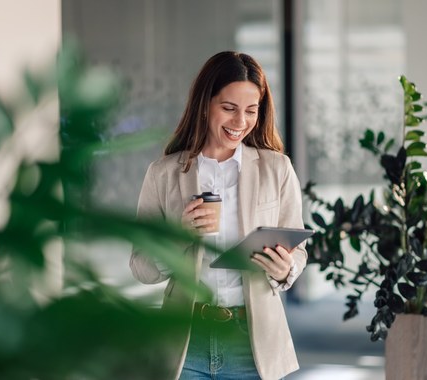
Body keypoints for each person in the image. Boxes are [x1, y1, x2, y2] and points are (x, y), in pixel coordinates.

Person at [130, 51, 307, 380]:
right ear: (205, 104)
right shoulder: (164, 174)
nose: (240, 122)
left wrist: (287, 270)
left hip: (252, 343)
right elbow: (141, 267)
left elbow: (298, 253)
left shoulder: (276, 169)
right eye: (229, 108)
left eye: (251, 111)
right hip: (185, 340)